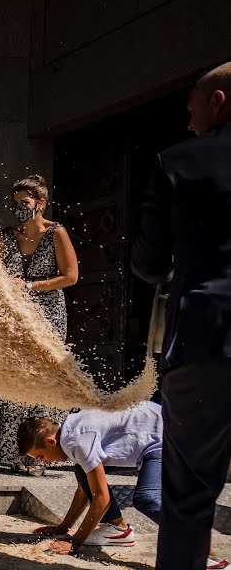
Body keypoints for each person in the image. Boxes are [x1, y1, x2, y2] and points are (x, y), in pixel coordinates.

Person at [131, 62, 231, 570]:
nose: (187, 117)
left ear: (217, 101)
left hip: (205, 342)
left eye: (191, 105)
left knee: (189, 491)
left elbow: (147, 263)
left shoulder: (179, 161)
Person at [18, 409, 227, 568]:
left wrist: (74, 543)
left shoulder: (78, 440)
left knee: (147, 498)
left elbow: (102, 499)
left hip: (167, 437)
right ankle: (119, 531)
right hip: (158, 433)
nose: (44, 462)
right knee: (82, 472)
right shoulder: (71, 432)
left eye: (40, 456)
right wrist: (63, 528)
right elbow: (85, 490)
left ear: (50, 441)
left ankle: (207, 555)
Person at [0, 174, 79, 472]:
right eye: (15, 204)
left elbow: (70, 276)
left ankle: (42, 454)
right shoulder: (6, 235)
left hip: (47, 315)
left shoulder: (56, 233)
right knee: (14, 378)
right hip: (14, 316)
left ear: (40, 203)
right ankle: (14, 452)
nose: (19, 209)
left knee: (40, 381)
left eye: (24, 203)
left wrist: (28, 286)